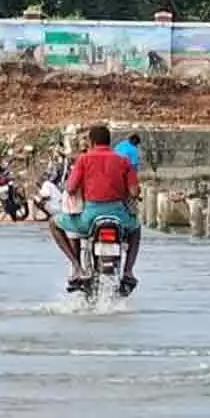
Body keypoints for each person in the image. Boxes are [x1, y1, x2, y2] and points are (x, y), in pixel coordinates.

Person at [54, 124, 141, 292]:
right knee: (136, 228)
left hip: (89, 217)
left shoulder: (84, 159)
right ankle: (129, 271)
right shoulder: (123, 160)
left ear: (92, 142)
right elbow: (134, 191)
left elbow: (71, 188)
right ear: (109, 142)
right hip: (120, 217)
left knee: (54, 224)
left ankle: (77, 267)